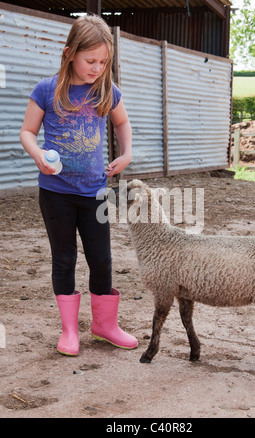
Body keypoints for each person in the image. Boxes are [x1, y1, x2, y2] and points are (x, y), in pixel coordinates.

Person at [20, 14, 138, 356]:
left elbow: (123, 121)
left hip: (95, 192)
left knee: (101, 259)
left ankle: (104, 326)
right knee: (64, 258)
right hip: (56, 193)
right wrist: (37, 153)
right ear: (70, 52)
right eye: (91, 60)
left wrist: (127, 154)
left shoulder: (106, 90)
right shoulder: (46, 89)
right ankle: (69, 331)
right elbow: (26, 132)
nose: (97, 68)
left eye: (103, 62)